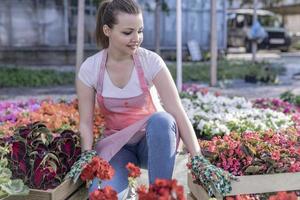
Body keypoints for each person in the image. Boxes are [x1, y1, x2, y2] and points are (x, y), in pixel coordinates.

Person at [76, 0, 233, 199]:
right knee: (101, 196)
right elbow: (86, 123)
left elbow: (177, 110)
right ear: (107, 30)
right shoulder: (90, 68)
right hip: (117, 147)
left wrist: (197, 157)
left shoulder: (150, 61)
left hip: (154, 145)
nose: (136, 38)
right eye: (128, 32)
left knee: (163, 120)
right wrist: (87, 156)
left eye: (140, 31)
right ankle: (128, 193)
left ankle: (159, 194)